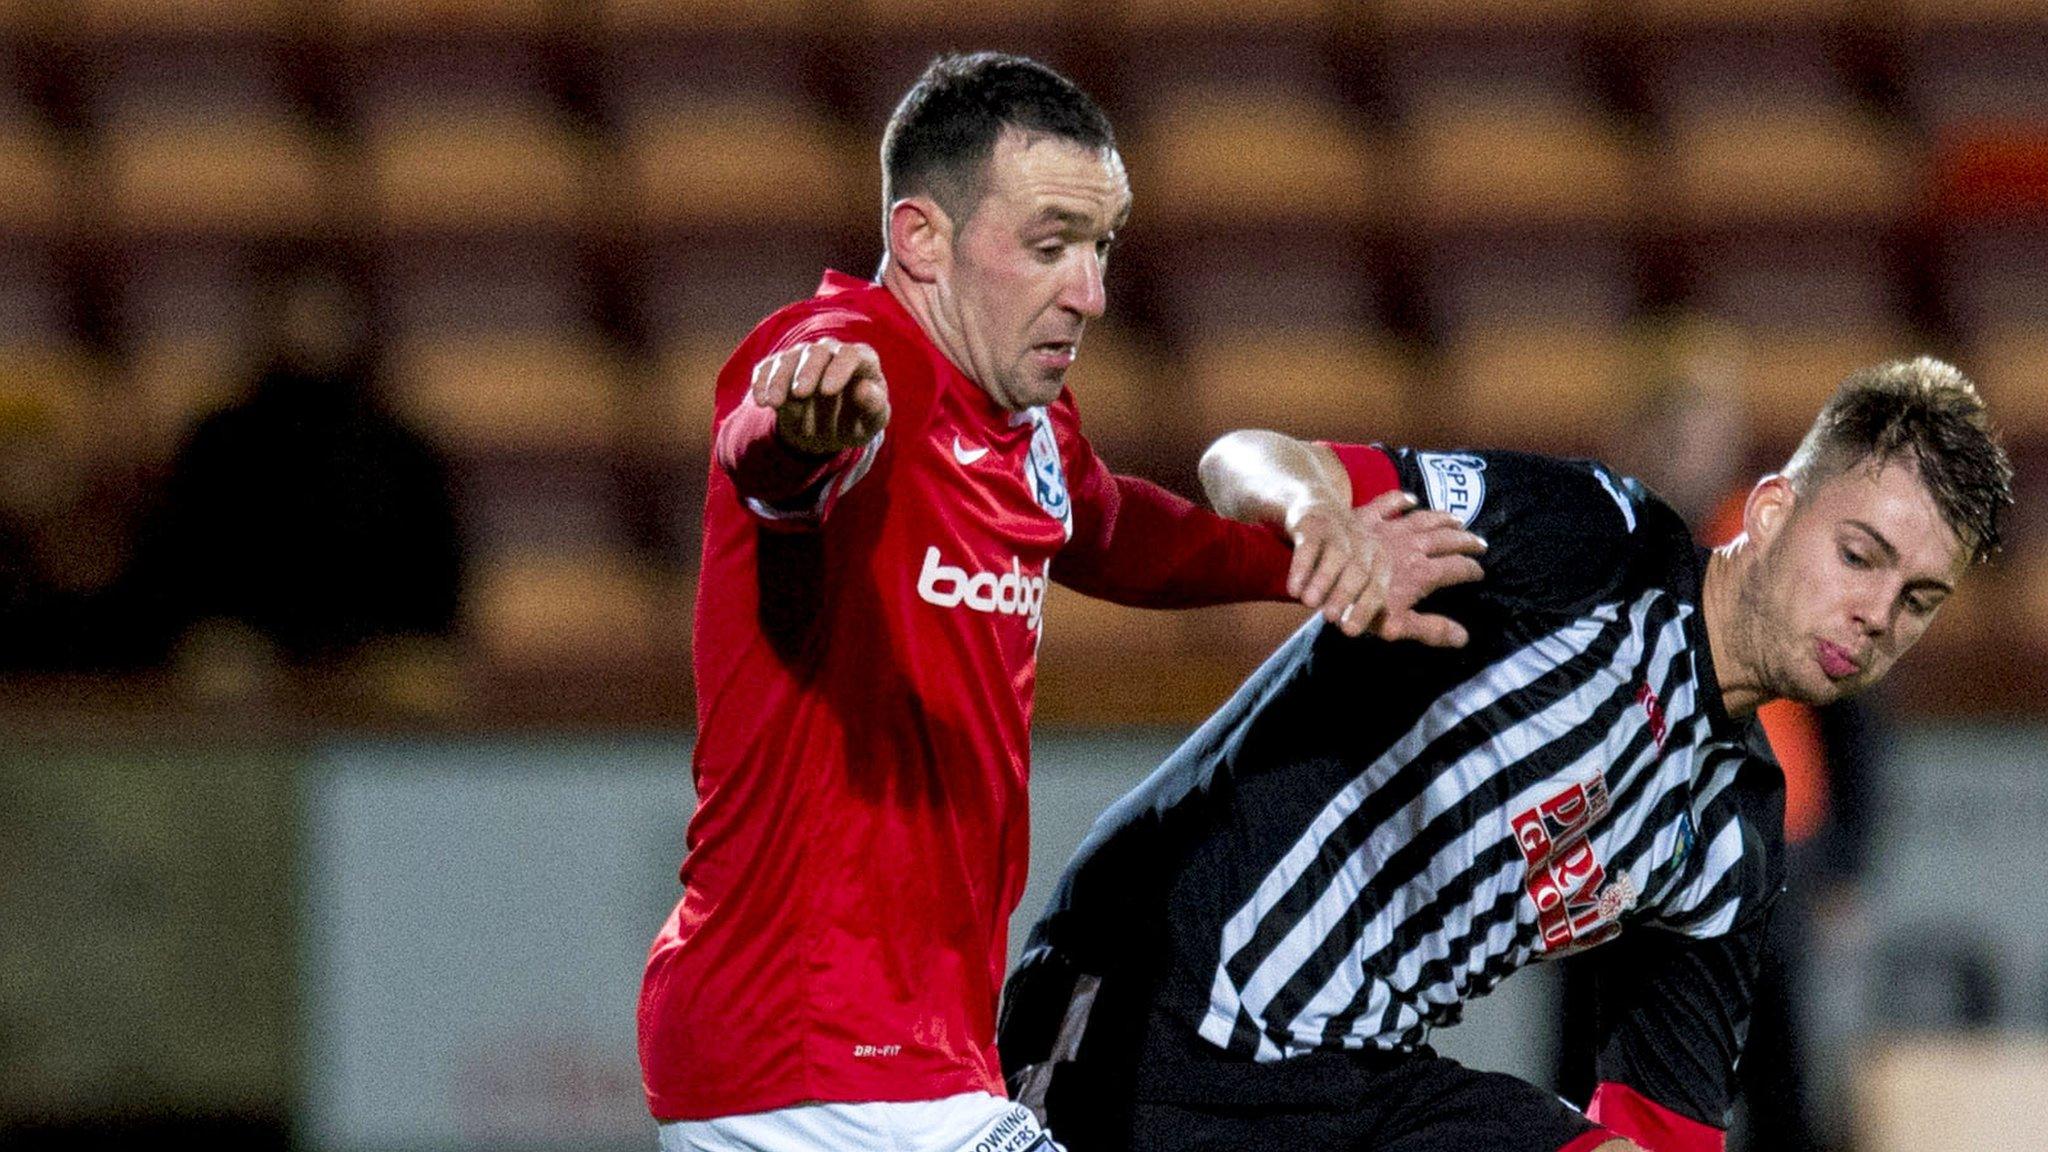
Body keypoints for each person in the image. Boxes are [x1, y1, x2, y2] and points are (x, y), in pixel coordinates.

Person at [636, 51, 1487, 1152]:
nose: (1087, 292)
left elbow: (1112, 527)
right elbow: (769, 452)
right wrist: (800, 427)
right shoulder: (852, 363)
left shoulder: (1019, 421)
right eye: (1048, 246)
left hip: (892, 1058)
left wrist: (1299, 559)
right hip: (812, 1054)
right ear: (919, 241)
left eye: (1100, 247)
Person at [998, 357, 2013, 1152]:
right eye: (1858, 555)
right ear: (1769, 510)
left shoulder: (1730, 830)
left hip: (1357, 1087)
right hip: (1153, 1000)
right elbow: (1245, 459)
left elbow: (1665, 1128)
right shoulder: (1591, 541)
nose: (1876, 614)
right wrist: (1316, 515)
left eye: (1918, 599)